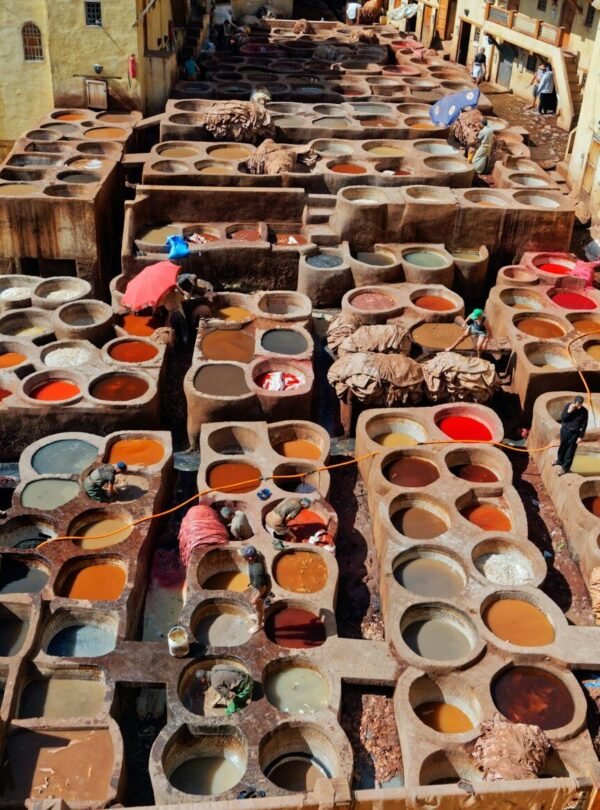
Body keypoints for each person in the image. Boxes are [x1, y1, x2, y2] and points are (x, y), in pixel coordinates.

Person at [552, 396, 588, 475]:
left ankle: (565, 468)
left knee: (570, 451)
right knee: (562, 447)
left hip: (575, 433)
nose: (580, 405)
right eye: (578, 403)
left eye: (581, 403)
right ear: (575, 402)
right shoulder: (568, 406)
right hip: (565, 430)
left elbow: (584, 425)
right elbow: (563, 418)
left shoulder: (584, 411)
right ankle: (559, 461)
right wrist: (569, 411)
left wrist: (580, 436)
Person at [240, 545, 270, 633]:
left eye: (244, 555)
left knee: (258, 606)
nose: (242, 557)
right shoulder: (258, 555)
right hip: (260, 583)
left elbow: (263, 588)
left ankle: (259, 625)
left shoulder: (257, 572)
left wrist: (255, 598)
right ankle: (259, 616)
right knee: (258, 605)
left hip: (262, 588)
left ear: (249, 558)